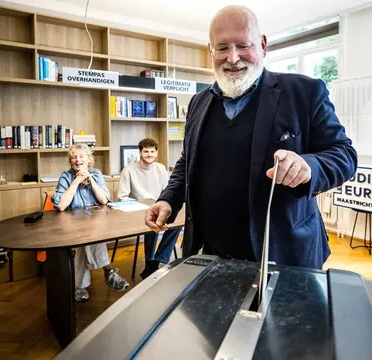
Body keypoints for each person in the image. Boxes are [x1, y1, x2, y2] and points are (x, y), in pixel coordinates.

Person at [144, 5, 357, 269]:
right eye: (222, 48)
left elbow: (344, 155)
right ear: (211, 51)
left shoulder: (304, 92)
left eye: (243, 45)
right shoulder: (199, 103)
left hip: (285, 256)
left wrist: (309, 166)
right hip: (211, 256)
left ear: (263, 45)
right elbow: (189, 161)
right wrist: (169, 199)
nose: (232, 58)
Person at [53, 144, 130, 301]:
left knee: (87, 239)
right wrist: (76, 181)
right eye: (74, 157)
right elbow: (61, 205)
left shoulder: (96, 174)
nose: (78, 160)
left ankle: (79, 286)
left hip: (93, 224)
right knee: (87, 238)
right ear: (70, 161)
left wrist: (91, 180)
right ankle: (108, 272)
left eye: (82, 156)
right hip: (71, 225)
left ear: (89, 160)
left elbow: (104, 200)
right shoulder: (66, 177)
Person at [117, 138, 181, 279]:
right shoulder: (128, 170)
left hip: (158, 207)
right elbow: (122, 197)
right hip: (137, 210)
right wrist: (142, 205)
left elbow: (167, 190)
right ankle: (149, 261)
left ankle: (156, 261)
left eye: (152, 151)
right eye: (146, 151)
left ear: (156, 153)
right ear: (140, 153)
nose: (149, 154)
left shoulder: (160, 168)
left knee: (177, 224)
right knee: (152, 225)